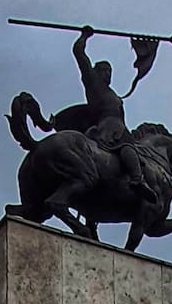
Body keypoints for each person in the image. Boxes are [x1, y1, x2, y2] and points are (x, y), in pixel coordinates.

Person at [56, 26, 157, 205]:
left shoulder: (113, 95)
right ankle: (137, 180)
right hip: (108, 126)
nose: (108, 74)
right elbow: (79, 54)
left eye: (109, 71)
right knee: (127, 145)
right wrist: (84, 37)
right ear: (96, 71)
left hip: (117, 125)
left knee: (131, 146)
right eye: (104, 70)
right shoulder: (93, 82)